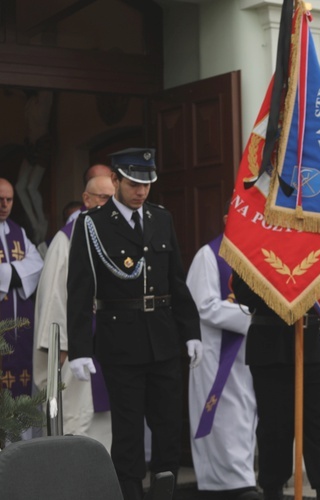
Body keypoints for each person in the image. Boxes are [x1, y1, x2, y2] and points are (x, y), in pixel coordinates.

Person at [66, 148, 203, 500]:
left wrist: (191, 331)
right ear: (115, 180)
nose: (141, 191)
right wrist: (80, 348)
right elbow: (80, 288)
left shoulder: (161, 218)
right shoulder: (92, 224)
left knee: (168, 426)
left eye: (147, 184)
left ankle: (163, 493)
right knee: (127, 432)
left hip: (163, 338)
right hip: (120, 342)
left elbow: (175, 278)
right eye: (133, 183)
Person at [231, 276, 320, 500]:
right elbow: (243, 292)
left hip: (317, 341)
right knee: (274, 429)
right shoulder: (255, 240)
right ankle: (272, 490)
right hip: (270, 342)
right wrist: (287, 282)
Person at [33, 175, 115, 445]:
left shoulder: (115, 235)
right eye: (102, 198)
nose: (107, 204)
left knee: (108, 427)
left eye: (111, 198)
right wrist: (61, 347)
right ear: (87, 199)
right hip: (73, 350)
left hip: (109, 347)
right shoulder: (65, 240)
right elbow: (54, 297)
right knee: (76, 423)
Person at [187, 207, 260, 500]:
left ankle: (244, 479)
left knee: (246, 417)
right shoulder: (208, 255)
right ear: (226, 220)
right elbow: (203, 306)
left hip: (251, 354)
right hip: (217, 354)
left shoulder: (258, 255)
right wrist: (254, 318)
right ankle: (226, 485)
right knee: (224, 421)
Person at [0, 178, 44, 400]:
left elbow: (37, 265)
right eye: (0, 199)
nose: (4, 205)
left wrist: (7, 273)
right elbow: (27, 268)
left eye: (9, 199)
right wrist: (15, 274)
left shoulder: (19, 231)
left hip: (22, 326)